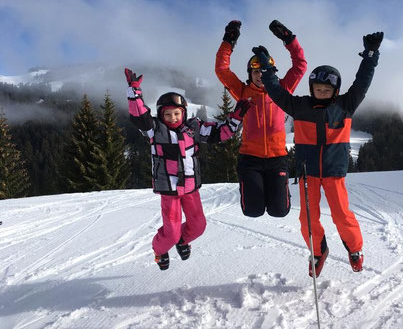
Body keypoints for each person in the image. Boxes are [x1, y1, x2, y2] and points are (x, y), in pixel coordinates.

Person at [255, 31, 384, 277]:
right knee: (307, 219)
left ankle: (354, 250)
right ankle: (318, 251)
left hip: (334, 172)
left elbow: (362, 81)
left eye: (326, 90)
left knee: (341, 215)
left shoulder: (345, 105)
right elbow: (277, 93)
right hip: (308, 172)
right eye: (317, 89)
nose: (321, 93)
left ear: (335, 91)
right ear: (311, 89)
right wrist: (268, 70)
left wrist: (370, 55)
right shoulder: (300, 106)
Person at [125, 68, 251, 270]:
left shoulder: (193, 128)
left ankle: (183, 242)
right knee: (171, 232)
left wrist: (236, 118)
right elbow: (139, 116)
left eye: (177, 113)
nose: (173, 118)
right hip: (170, 190)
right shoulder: (155, 130)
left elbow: (221, 133)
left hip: (191, 188)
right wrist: (134, 92)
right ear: (161, 115)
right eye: (168, 114)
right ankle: (159, 249)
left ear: (183, 113)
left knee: (198, 226)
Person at [215, 20, 307, 218]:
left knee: (279, 211)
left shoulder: (282, 90)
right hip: (250, 160)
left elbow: (300, 66)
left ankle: (278, 193)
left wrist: (289, 39)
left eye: (263, 71)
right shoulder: (242, 92)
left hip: (277, 159)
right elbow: (222, 70)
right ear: (250, 74)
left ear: (271, 72)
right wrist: (228, 42)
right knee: (253, 211)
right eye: (255, 71)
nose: (259, 75)